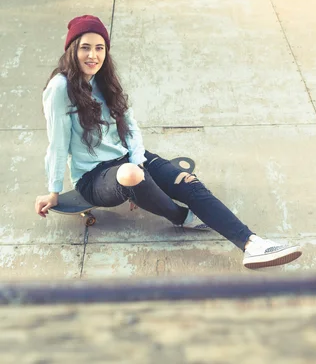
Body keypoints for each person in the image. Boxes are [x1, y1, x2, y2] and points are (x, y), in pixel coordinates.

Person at [35, 15, 302, 270]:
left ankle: (252, 243)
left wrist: (138, 160)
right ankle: (181, 217)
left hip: (129, 159)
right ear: (72, 50)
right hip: (94, 177)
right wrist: (54, 190)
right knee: (130, 175)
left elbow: (130, 127)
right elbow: (57, 144)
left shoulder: (105, 81)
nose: (93, 55)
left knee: (188, 182)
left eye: (99, 48)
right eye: (85, 48)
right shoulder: (60, 89)